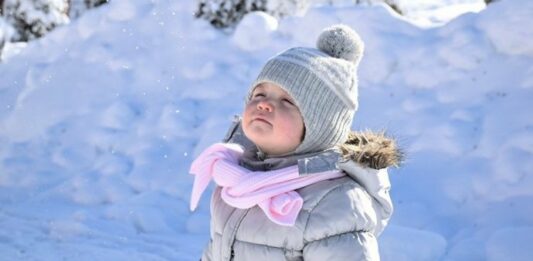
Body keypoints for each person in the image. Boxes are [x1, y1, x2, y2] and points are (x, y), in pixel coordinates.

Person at [189, 24, 402, 261]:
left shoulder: (335, 201)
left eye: (287, 101)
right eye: (259, 94)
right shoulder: (237, 179)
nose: (264, 104)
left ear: (320, 126)